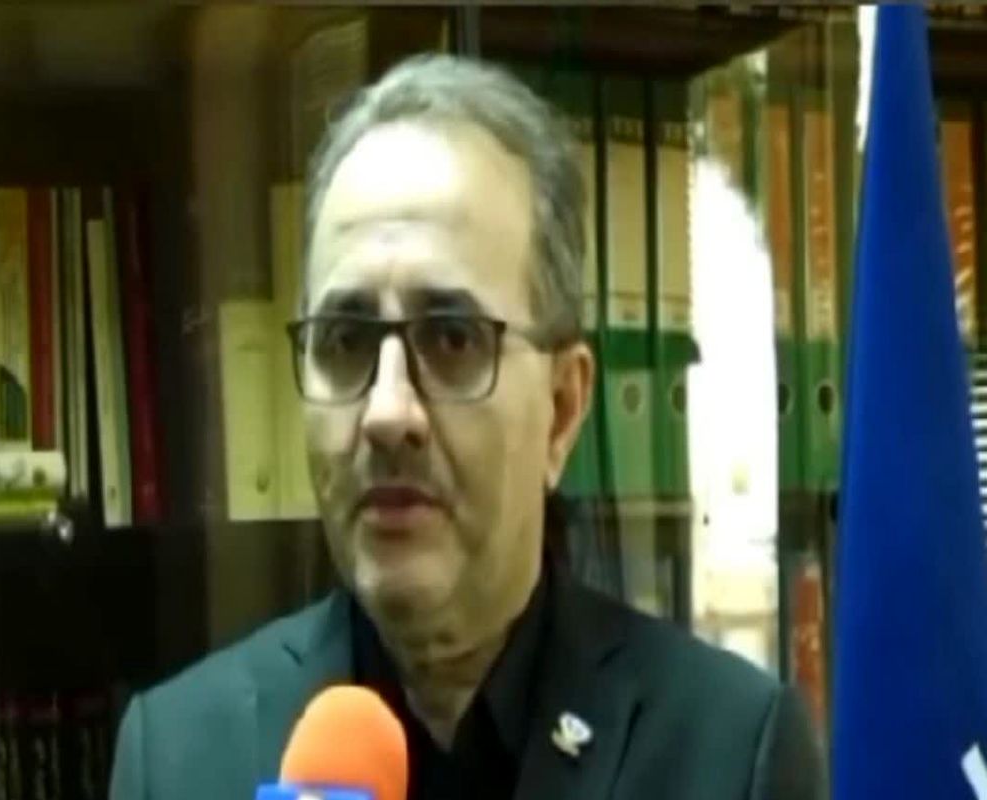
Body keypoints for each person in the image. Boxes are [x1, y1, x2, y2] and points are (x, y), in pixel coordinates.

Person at [109, 54, 825, 800]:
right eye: (345, 341)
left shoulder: (728, 755)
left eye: (452, 339)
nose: (387, 413)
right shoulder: (180, 759)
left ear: (563, 408)